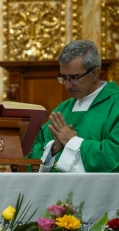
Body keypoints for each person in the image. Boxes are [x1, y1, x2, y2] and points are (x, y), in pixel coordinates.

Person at [27, 39, 119, 172]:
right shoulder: (62, 109)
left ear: (95, 73)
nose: (67, 85)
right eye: (63, 77)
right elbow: (32, 150)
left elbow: (114, 154)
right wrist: (53, 148)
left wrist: (73, 142)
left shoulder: (115, 104)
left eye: (74, 77)